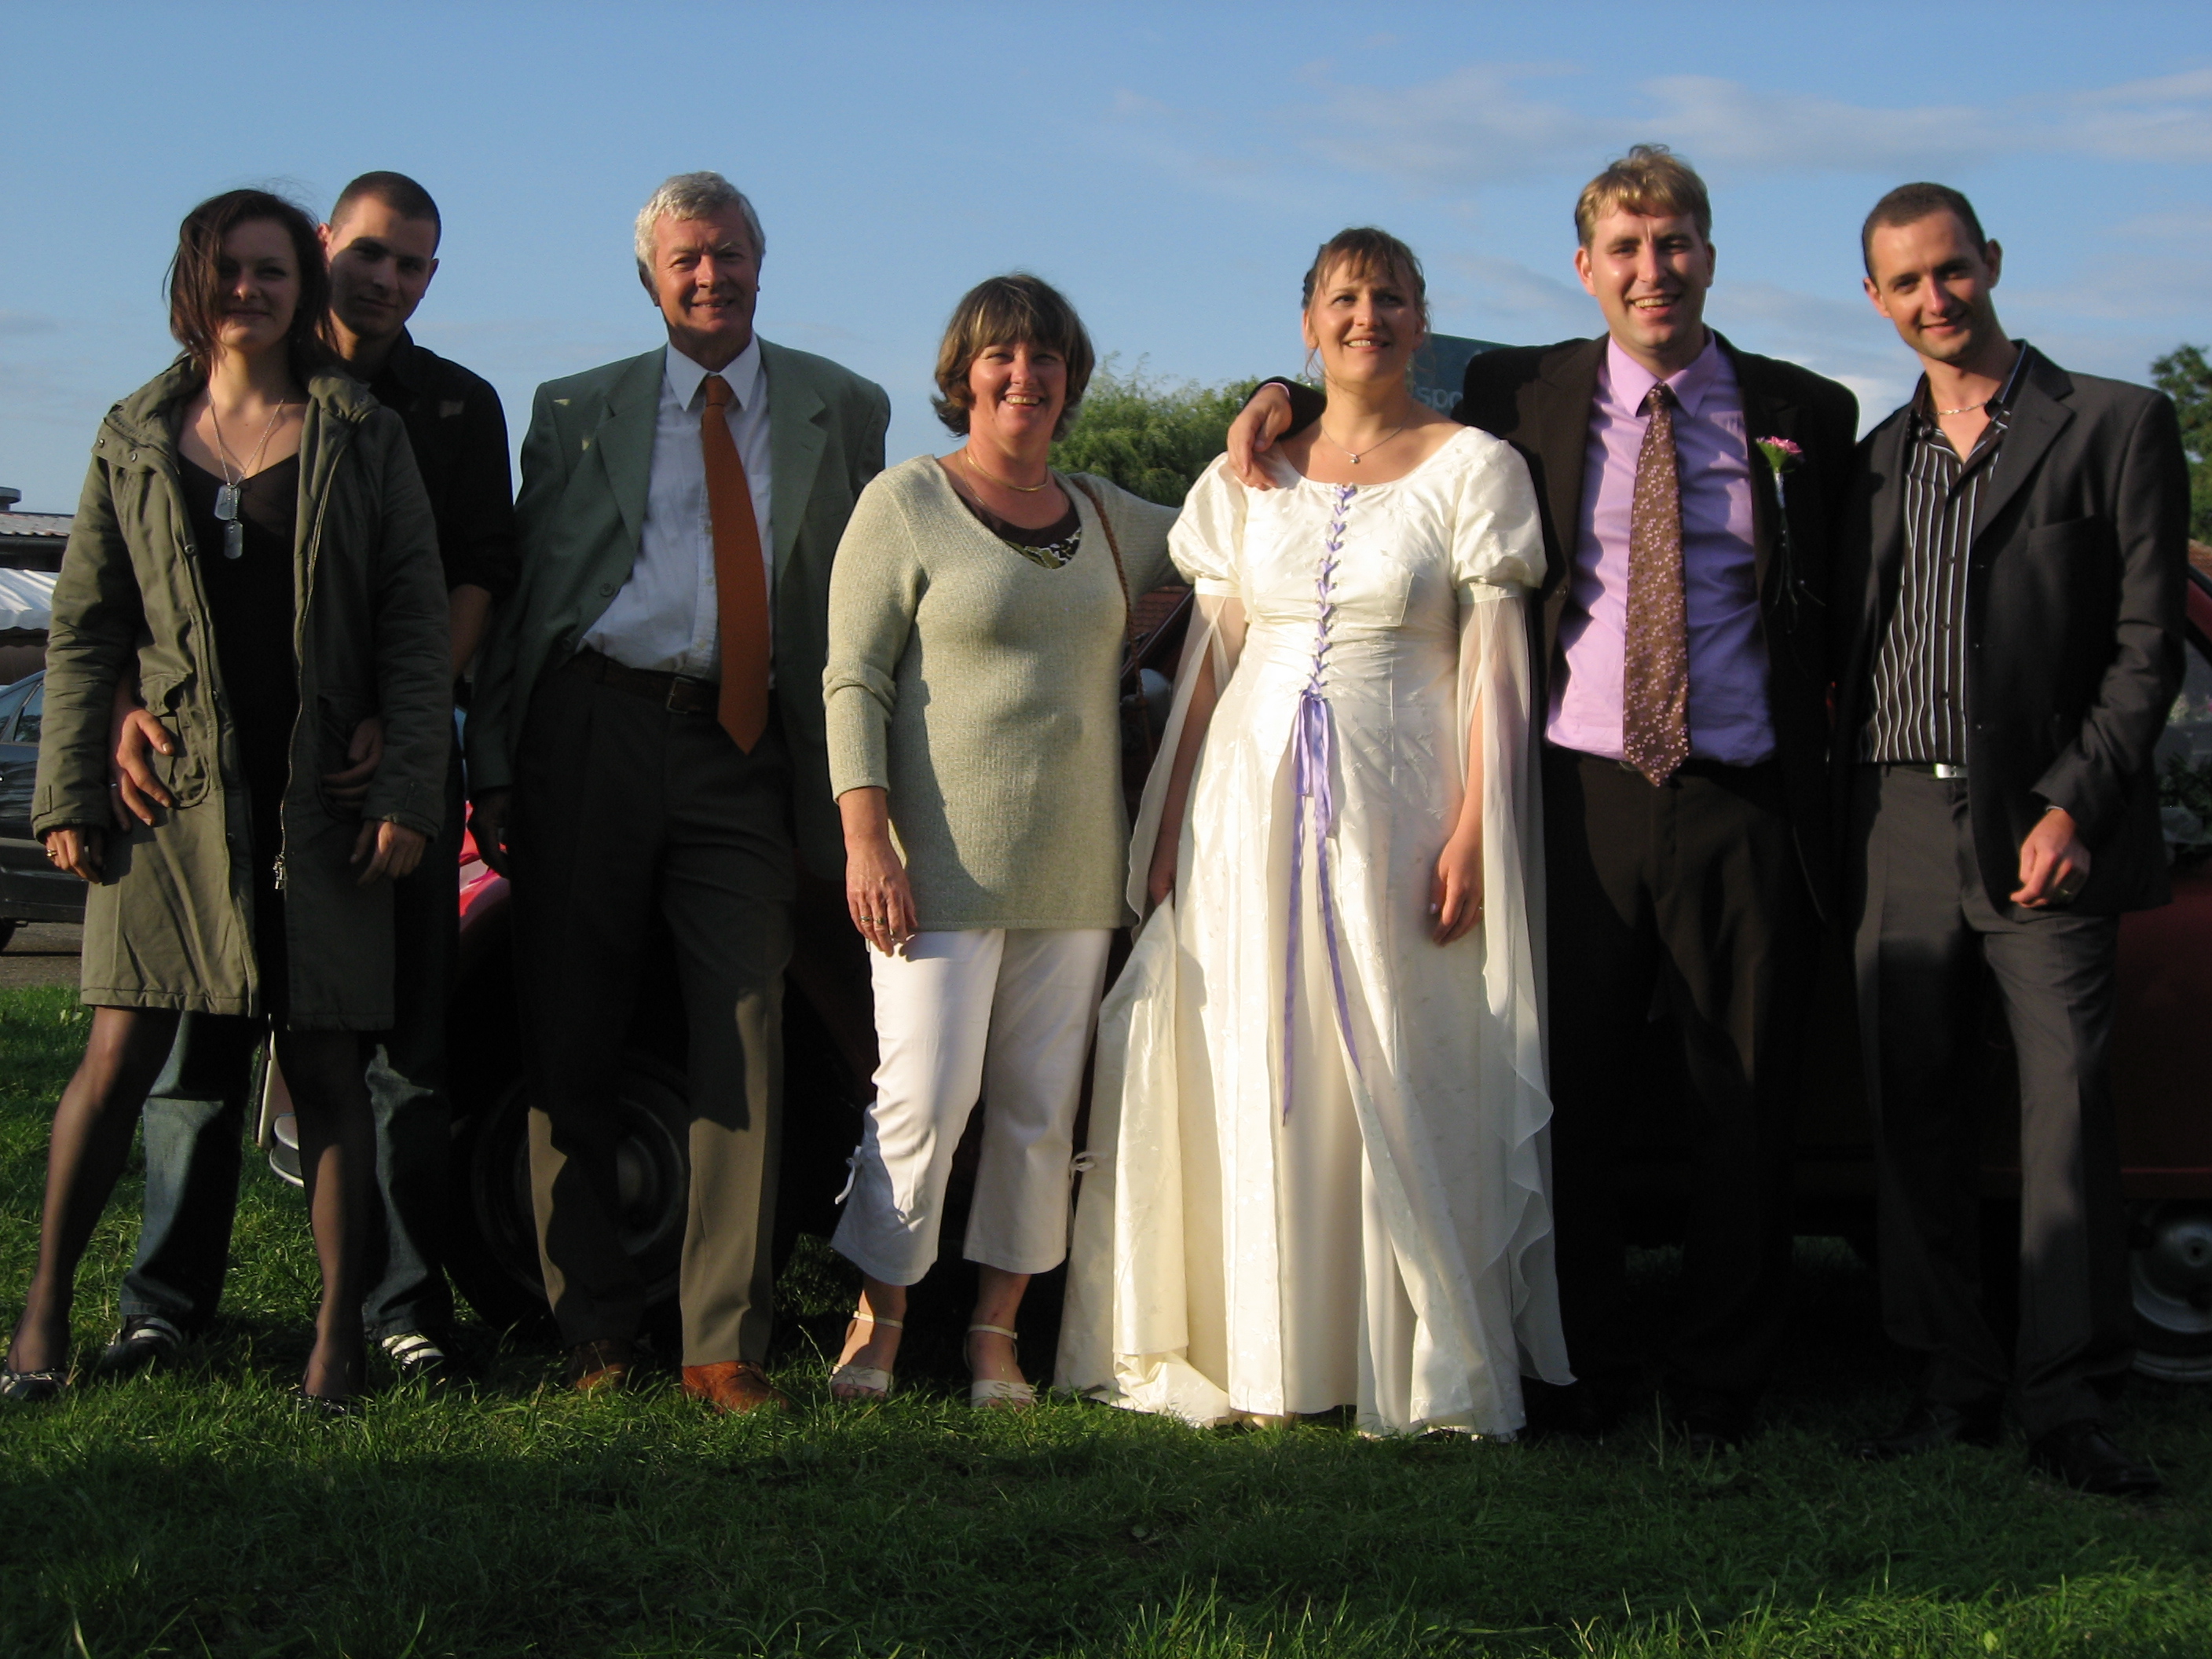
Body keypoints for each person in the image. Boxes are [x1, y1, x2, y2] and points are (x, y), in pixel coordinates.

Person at [1227, 146, 1858, 1448]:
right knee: (1570, 1088)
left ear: (1710, 255)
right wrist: (1277, 394)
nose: (1651, 270)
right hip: (1577, 797)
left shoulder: (1809, 409)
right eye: (1625, 249)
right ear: (1585, 268)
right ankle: (1584, 1364)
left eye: (1674, 244)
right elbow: (1375, 361)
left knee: (1743, 1096)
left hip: (1744, 796)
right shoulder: (1521, 389)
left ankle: (1725, 1378)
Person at [1058, 228, 1567, 1437]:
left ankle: (1419, 1353)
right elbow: (1207, 668)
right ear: (1307, 323)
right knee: (1254, 1050)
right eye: (1344, 297)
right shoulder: (1250, 475)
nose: (1366, 316)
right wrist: (1169, 827)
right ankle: (1266, 1350)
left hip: (1406, 801)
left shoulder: (1476, 471)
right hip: (1248, 804)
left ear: (1421, 319)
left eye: (1390, 297)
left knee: (1399, 1047)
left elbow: (1495, 677)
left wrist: (1475, 832)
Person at [2, 189, 449, 1407]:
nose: (249, 290)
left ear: (301, 289)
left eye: (271, 270)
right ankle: (41, 1325)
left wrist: (407, 789)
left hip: (320, 802)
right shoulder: (134, 433)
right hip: (170, 799)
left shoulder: (362, 434)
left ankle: (338, 1346)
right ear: (193, 284)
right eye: (228, 269)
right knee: (118, 1054)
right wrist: (74, 779)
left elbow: (416, 626)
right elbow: (87, 625)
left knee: (328, 1068)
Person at [465, 172, 888, 1414]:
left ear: (763, 261)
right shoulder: (574, 410)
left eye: (730, 253)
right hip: (589, 728)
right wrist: (497, 762)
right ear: (649, 278)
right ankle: (594, 1333)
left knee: (746, 1029)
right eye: (687, 259)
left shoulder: (843, 408)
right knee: (572, 1029)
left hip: (746, 747)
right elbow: (529, 599)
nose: (712, 277)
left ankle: (723, 1345)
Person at [101, 171, 517, 1384]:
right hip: (223, 781)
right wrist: (122, 704)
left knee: (401, 1060)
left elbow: (480, 575)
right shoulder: (204, 393)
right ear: (327, 243)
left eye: (414, 264)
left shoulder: (453, 405)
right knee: (200, 1054)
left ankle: (402, 1310)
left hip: (383, 774)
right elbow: (130, 582)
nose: (387, 280)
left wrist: (405, 715)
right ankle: (163, 1307)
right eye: (371, 252)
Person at [1838, 185, 2187, 1496]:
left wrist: (2075, 801)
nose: (1935, 300)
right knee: (1912, 1109)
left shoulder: (2116, 423)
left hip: (2043, 819)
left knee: (2066, 1113)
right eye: (1907, 283)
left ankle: (2069, 1400)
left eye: (1952, 271)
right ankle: (1951, 1380)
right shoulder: (1876, 458)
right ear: (1875, 300)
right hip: (1894, 815)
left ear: (1990, 262)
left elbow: (2147, 649)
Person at [822, 275, 1180, 1408]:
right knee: (922, 1102)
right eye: (1001, 356)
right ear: (963, 374)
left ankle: (995, 1338)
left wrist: (1279, 401)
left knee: (1036, 1115)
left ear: (1071, 380)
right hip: (932, 869)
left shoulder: (1112, 516)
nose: (1025, 375)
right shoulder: (905, 502)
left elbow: (1234, 519)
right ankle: (878, 1324)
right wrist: (866, 837)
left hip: (1074, 868)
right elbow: (852, 679)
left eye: (1046, 357)